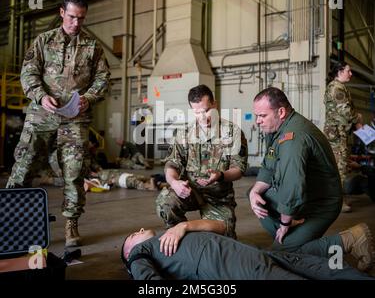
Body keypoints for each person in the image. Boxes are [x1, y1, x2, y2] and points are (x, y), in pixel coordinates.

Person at [5, 0, 111, 248]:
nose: (76, 23)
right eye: (72, 16)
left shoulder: (93, 47)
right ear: (62, 13)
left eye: (81, 18)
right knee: (24, 166)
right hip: (42, 115)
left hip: (75, 118)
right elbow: (28, 73)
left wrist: (90, 97)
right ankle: (8, 219)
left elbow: (103, 79)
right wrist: (41, 97)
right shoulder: (43, 41)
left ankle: (71, 224)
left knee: (74, 173)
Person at [248, 87, 342, 252]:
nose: (257, 121)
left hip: (321, 204)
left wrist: (285, 222)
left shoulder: (293, 137)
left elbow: (292, 185)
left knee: (277, 255)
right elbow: (268, 165)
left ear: (281, 112)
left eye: (262, 116)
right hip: (307, 197)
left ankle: (349, 241)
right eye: (257, 116)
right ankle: (290, 238)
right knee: (257, 194)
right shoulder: (279, 129)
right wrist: (254, 192)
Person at [121, 220, 375, 280]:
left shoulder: (171, 234)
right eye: (132, 235)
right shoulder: (139, 253)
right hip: (225, 262)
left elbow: (220, 225)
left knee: (312, 265)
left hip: (241, 250)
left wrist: (184, 225)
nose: (139, 231)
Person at [155, 85, 248, 239]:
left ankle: (200, 233)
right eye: (197, 112)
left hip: (219, 197)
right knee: (165, 201)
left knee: (223, 239)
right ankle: (182, 238)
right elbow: (172, 163)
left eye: (206, 111)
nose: (203, 117)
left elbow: (238, 169)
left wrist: (221, 175)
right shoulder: (185, 133)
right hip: (191, 192)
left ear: (215, 105)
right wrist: (174, 182)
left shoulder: (233, 132)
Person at [324, 61, 363, 213]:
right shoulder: (337, 88)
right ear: (340, 72)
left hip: (338, 132)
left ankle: (336, 199)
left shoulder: (338, 87)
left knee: (341, 166)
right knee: (339, 168)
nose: (351, 73)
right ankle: (337, 203)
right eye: (348, 70)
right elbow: (345, 111)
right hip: (336, 134)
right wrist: (357, 118)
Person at [84, 169, 160, 192]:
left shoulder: (100, 177)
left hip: (123, 180)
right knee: (145, 179)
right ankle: (159, 183)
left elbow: (103, 185)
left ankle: (153, 183)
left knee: (144, 186)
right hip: (127, 175)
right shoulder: (105, 171)